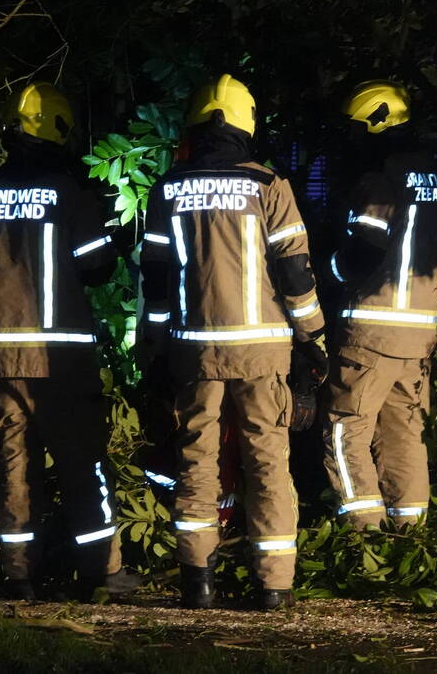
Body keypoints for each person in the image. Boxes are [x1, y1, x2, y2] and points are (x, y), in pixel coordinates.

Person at [139, 74, 327, 610]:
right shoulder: (270, 186)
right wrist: (313, 338)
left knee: (196, 461)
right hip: (263, 352)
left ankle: (197, 578)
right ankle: (274, 585)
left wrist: (152, 346)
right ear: (246, 124)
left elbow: (155, 280)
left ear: (195, 125)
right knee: (268, 460)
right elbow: (295, 275)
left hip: (193, 351)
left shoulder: (167, 189)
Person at [0, 82, 139, 601]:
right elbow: (97, 268)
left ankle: (18, 574)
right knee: (84, 462)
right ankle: (103, 572)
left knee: (12, 465)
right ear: (58, 128)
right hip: (61, 359)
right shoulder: (68, 192)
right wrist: (114, 242)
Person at [321, 80, 437, 530]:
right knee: (406, 434)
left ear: (373, 124)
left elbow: (363, 252)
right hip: (419, 334)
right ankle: (411, 533)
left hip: (371, 329)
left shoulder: (378, 180)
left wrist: (330, 275)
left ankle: (365, 536)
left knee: (346, 430)